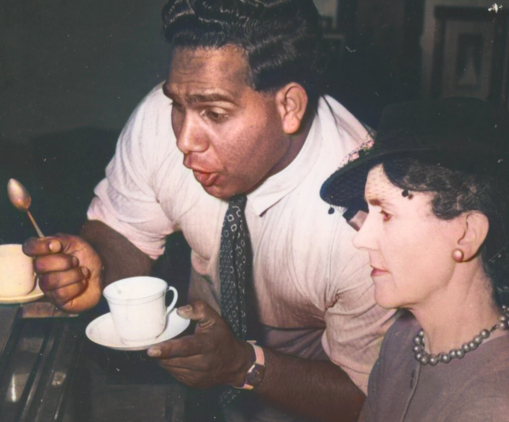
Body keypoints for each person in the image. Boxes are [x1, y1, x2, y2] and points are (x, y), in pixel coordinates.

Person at [23, 1, 392, 421]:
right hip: (198, 380)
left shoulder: (371, 215)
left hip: (312, 395)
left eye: (214, 113)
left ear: (289, 107)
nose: (183, 139)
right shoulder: (159, 120)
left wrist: (241, 365)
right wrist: (97, 269)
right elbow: (123, 230)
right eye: (178, 105)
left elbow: (372, 396)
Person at [320, 97, 509, 421]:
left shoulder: (502, 410)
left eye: (387, 214)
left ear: (467, 234)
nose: (361, 237)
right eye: (369, 212)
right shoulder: (405, 338)